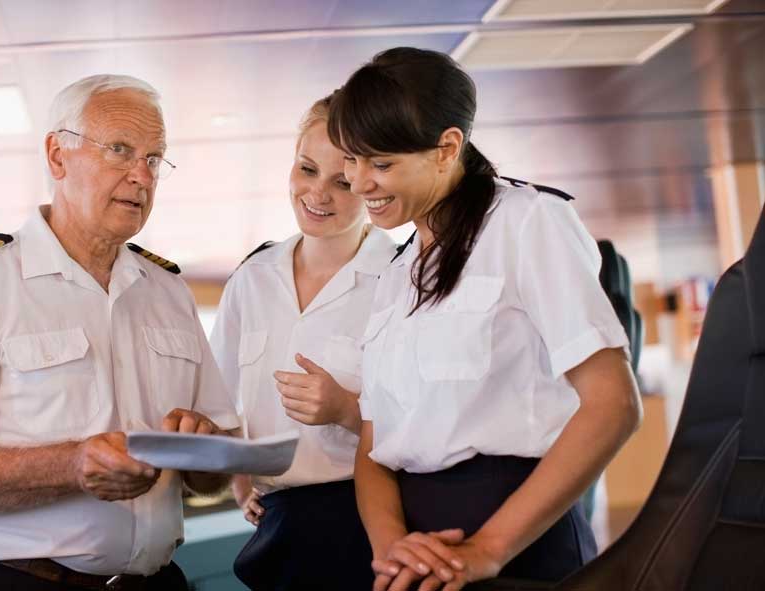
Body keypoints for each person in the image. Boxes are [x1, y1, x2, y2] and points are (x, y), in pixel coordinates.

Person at [0, 74, 239, 591]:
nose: (141, 177)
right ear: (57, 156)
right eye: (120, 150)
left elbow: (214, 473)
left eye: (153, 158)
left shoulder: (168, 292)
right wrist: (73, 464)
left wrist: (203, 449)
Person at [328, 47, 643, 591]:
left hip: (519, 541)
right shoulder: (397, 274)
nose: (358, 184)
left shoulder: (527, 222)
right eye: (351, 161)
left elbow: (614, 404)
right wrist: (391, 546)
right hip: (415, 554)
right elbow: (375, 445)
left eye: (381, 164)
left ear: (447, 147)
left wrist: (488, 549)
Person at [209, 94, 396, 590]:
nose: (318, 194)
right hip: (278, 523)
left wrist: (347, 410)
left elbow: (433, 425)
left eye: (342, 181)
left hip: (367, 520)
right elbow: (221, 398)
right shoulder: (252, 277)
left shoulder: (403, 280)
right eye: (307, 169)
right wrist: (241, 479)